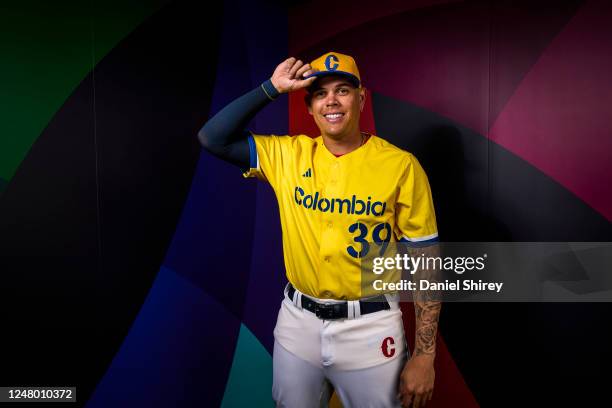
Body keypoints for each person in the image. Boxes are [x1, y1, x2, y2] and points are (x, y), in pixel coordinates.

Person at [198, 51, 441, 408]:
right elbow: (212, 138)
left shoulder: (401, 166)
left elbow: (426, 263)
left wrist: (425, 356)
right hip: (298, 323)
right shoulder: (288, 155)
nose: (331, 100)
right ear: (309, 106)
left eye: (343, 90)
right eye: (320, 93)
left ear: (361, 98)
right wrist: (271, 88)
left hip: (370, 326)